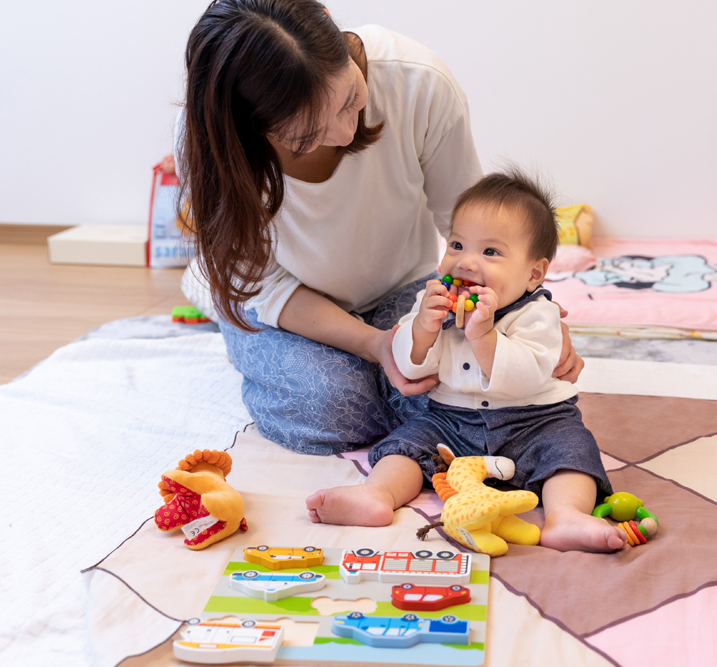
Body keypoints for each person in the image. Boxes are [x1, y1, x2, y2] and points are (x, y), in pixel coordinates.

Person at [175, 1, 584, 466]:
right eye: (304, 136)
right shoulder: (211, 144)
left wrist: (529, 315)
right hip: (280, 298)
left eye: (350, 98)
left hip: (396, 285)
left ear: (329, 24)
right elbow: (263, 285)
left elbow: (470, 226)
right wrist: (374, 345)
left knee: (448, 396)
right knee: (334, 410)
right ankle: (211, 293)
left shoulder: (419, 82)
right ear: (249, 128)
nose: (345, 131)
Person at [306, 170, 626, 553]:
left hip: (535, 421)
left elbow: (524, 377)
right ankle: (375, 495)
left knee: (572, 451)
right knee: (405, 445)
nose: (467, 262)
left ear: (533, 273)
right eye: (457, 244)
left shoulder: (539, 315)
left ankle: (566, 516)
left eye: (490, 252)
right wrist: (423, 329)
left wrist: (484, 337)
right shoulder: (436, 304)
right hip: (451, 420)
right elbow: (409, 370)